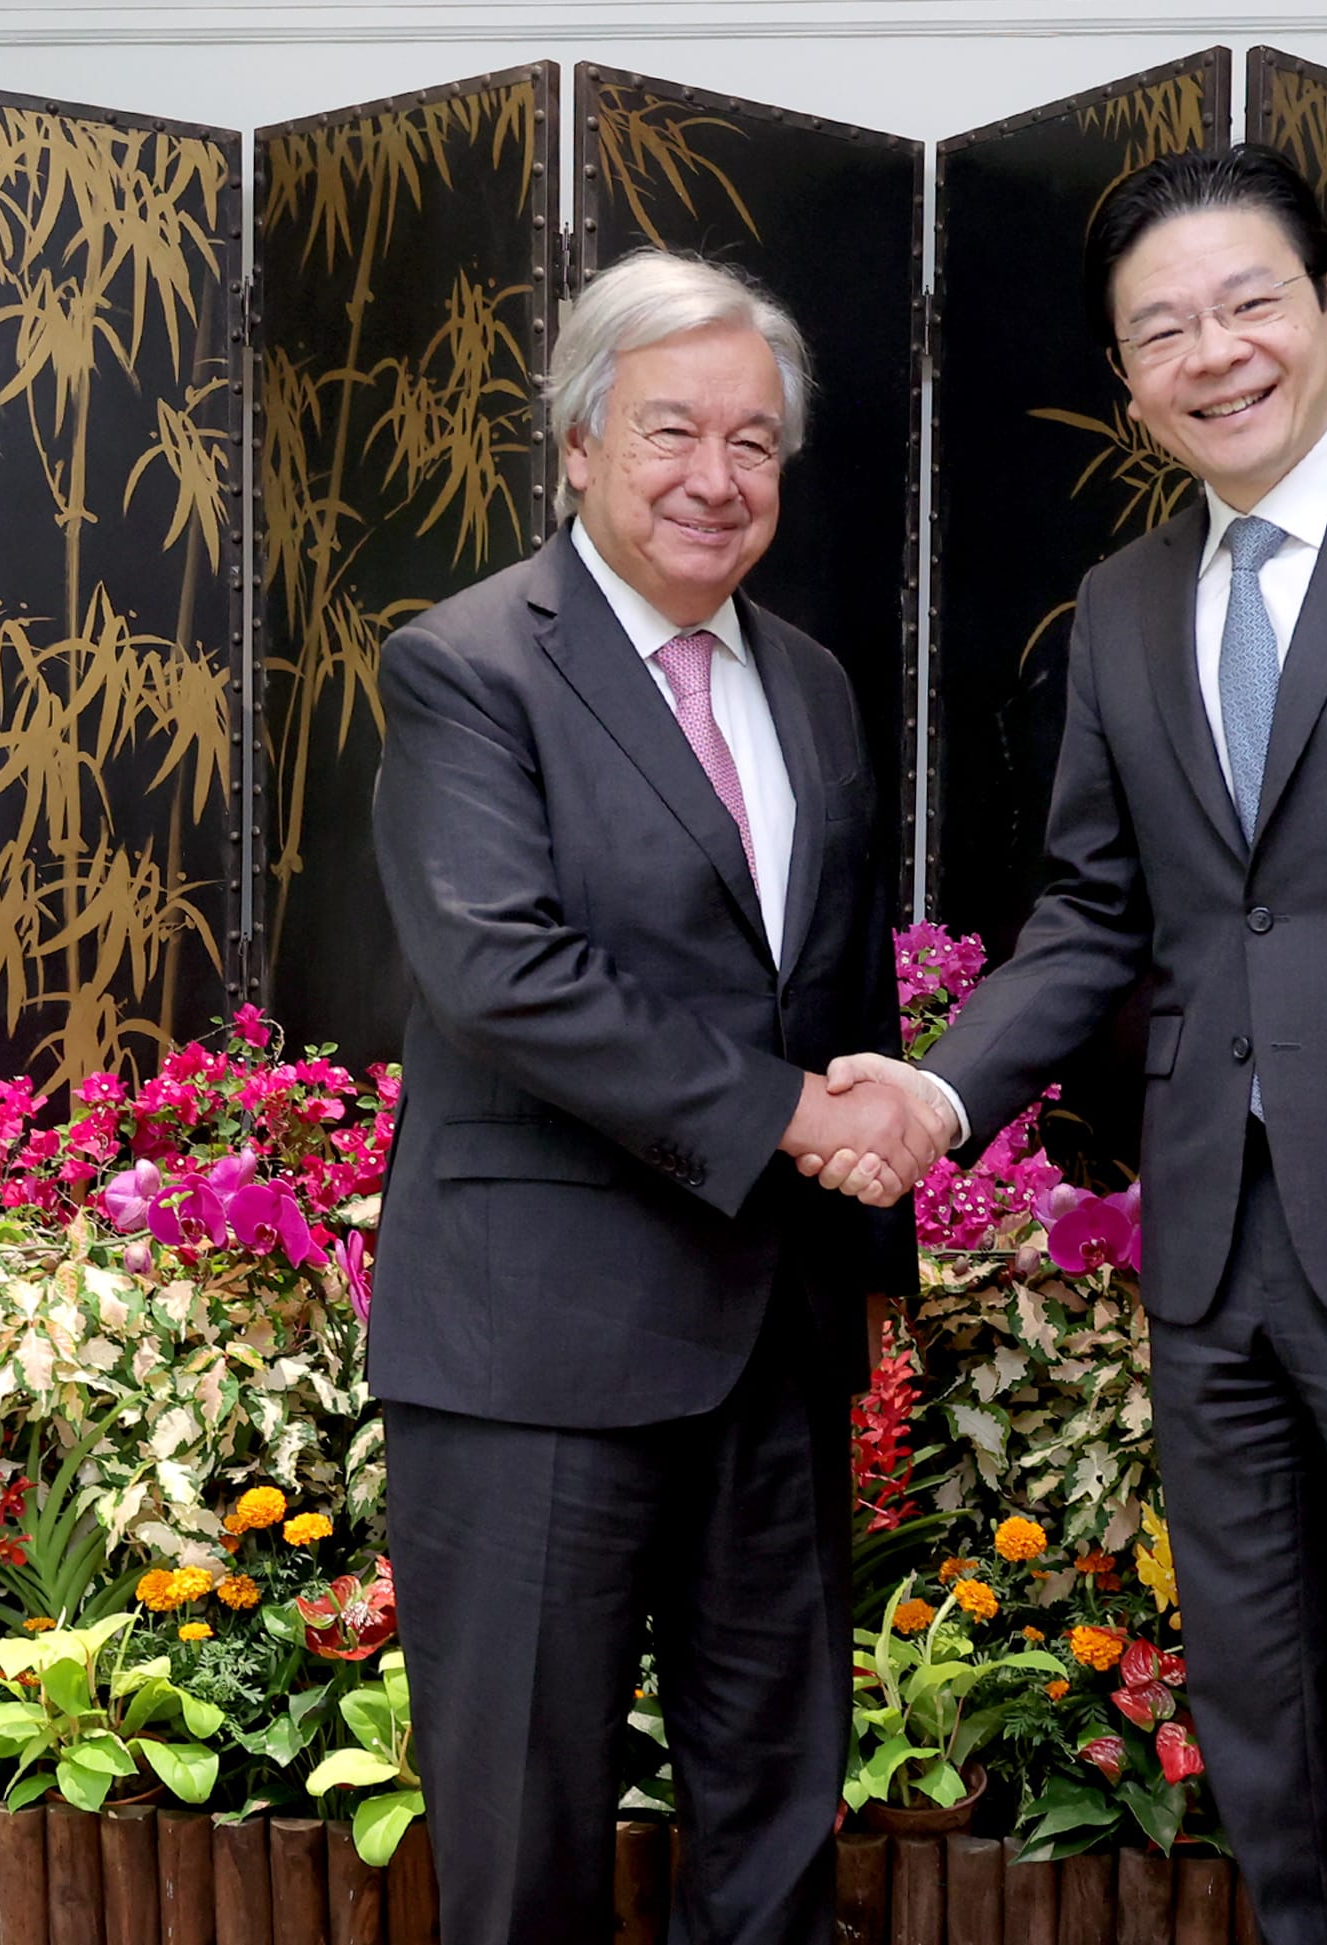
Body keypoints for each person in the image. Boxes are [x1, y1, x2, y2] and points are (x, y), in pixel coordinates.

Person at [816, 147, 1327, 1945]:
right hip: (1211, 1251)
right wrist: (940, 1084)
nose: (1215, 352)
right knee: (1266, 1741)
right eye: (1163, 329)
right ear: (1128, 376)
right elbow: (1094, 919)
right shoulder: (1126, 604)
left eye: (1249, 302)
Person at [369, 249, 947, 1945]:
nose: (716, 476)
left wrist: (869, 1209)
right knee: (525, 1832)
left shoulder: (815, 684)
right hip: (532, 1346)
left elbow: (828, 997)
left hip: (771, 1337)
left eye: (754, 442)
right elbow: (502, 972)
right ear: (573, 443)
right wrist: (794, 1115)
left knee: (774, 1814)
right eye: (670, 430)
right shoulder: (466, 664)